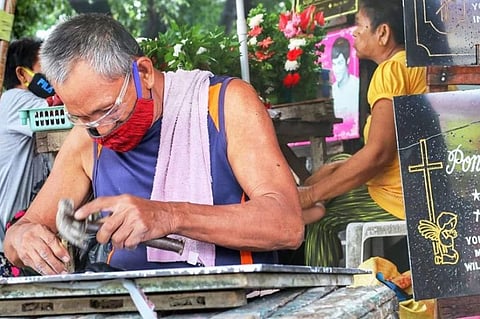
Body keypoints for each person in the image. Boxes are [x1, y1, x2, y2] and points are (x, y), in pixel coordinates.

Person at [3, 13, 303, 275]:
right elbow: (24, 230)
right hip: (126, 304)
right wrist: (24, 237)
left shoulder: (223, 104)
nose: (102, 129)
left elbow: (287, 224)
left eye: (108, 110)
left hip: (238, 302)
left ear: (143, 72)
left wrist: (169, 216)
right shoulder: (87, 137)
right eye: (83, 117)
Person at [299, 0, 427, 267]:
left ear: (382, 33)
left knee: (320, 218)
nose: (354, 32)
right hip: (421, 187)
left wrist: (312, 195)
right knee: (335, 164)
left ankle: (323, 302)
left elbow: (379, 154)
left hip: (401, 198)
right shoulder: (417, 65)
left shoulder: (391, 71)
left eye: (360, 25)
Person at [0, 37, 56, 274]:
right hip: (11, 242)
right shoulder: (15, 100)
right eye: (48, 68)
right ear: (22, 75)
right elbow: (71, 114)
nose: (55, 76)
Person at [329, 36, 360, 141]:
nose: (336, 69)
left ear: (348, 60)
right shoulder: (331, 91)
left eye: (340, 63)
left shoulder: (357, 86)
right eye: (334, 64)